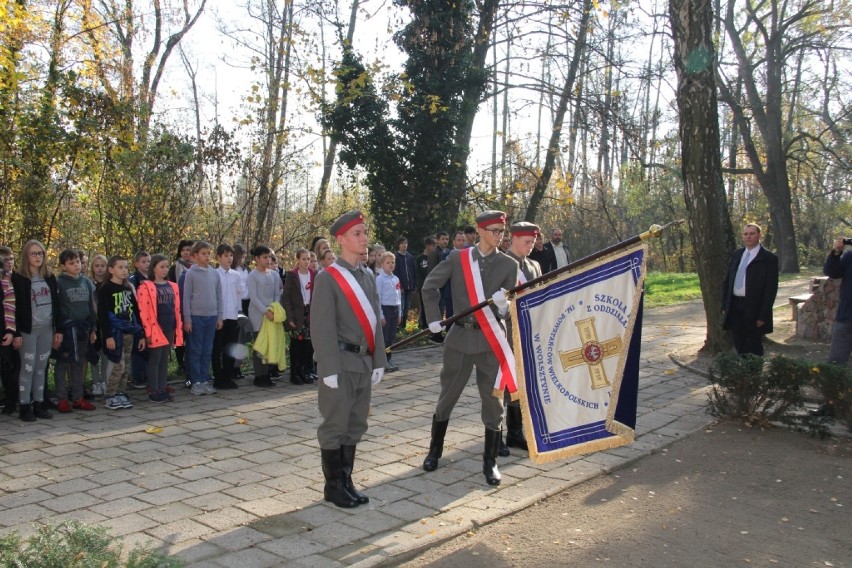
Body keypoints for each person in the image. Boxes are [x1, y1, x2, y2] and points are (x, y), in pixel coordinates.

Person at [421, 210, 518, 486]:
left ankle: (490, 462)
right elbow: (430, 287)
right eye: (495, 231)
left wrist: (503, 305)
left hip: (490, 341)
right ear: (480, 231)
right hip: (460, 338)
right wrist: (432, 320)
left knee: (493, 401)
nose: (500, 236)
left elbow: (512, 308)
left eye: (502, 231)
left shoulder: (509, 265)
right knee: (448, 395)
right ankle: (434, 451)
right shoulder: (458, 258)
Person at [310, 210, 387, 508]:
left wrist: (379, 359)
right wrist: (327, 367)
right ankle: (333, 486)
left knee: (355, 423)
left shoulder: (367, 275)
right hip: (340, 363)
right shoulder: (328, 278)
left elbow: (375, 323)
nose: (364, 238)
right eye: (357, 233)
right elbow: (322, 326)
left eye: (365, 232)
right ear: (341, 239)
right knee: (335, 424)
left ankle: (346, 480)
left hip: (363, 362)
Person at [501, 221, 543, 453]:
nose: (530, 246)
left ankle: (517, 431)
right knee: (507, 382)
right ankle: (503, 432)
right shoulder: (501, 263)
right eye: (526, 242)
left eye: (533, 242)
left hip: (529, 329)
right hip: (507, 330)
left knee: (525, 380)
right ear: (514, 238)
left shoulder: (534, 265)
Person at [11, 240, 62, 421]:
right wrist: (16, 333)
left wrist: (58, 330)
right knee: (28, 367)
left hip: (47, 329)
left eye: (40, 253)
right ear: (26, 256)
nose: (37, 257)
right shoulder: (18, 279)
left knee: (41, 368)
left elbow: (57, 305)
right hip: (27, 331)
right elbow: (14, 308)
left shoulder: (49, 277)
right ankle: (24, 406)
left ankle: (39, 403)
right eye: (33, 253)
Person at [721, 223, 779, 356]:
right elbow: (727, 281)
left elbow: (771, 289)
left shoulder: (768, 258)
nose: (748, 237)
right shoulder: (737, 255)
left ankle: (754, 372)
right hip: (735, 304)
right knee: (738, 340)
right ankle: (743, 371)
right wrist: (725, 305)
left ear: (759, 235)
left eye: (752, 234)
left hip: (754, 307)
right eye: (746, 234)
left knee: (753, 343)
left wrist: (763, 315)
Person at [98, 255, 145, 410]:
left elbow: (136, 313)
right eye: (120, 267)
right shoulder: (106, 289)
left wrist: (141, 334)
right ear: (111, 270)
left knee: (126, 365)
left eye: (126, 267)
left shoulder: (128, 288)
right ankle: (110, 395)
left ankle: (121, 393)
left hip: (129, 332)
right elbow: (103, 315)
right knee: (118, 365)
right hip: (114, 332)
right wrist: (108, 336)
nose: (124, 270)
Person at [54, 249, 98, 413]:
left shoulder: (86, 282)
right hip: (67, 330)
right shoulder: (59, 283)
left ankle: (78, 397)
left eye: (78, 262)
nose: (76, 265)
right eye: (71, 263)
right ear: (64, 266)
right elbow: (57, 308)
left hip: (83, 328)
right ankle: (62, 398)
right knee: (63, 363)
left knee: (79, 362)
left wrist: (93, 327)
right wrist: (58, 329)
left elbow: (90, 307)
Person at [137, 254, 183, 402]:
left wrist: (178, 327)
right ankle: (153, 389)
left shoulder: (172, 286)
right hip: (155, 328)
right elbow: (143, 311)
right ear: (154, 268)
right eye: (161, 267)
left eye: (166, 267)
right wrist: (148, 332)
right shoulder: (146, 287)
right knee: (155, 359)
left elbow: (176, 309)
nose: (165, 270)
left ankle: (162, 387)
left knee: (164, 358)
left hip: (169, 327)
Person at [182, 241, 223, 395]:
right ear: (195, 255)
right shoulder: (190, 273)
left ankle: (205, 379)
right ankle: (196, 381)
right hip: (196, 317)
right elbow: (186, 298)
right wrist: (188, 319)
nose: (207, 256)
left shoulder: (214, 273)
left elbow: (219, 296)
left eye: (208, 253)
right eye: (203, 253)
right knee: (196, 349)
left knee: (207, 349)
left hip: (211, 316)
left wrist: (220, 316)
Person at [247, 245, 283, 387]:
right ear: (257, 259)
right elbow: (254, 298)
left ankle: (267, 373)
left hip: (271, 314)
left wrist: (274, 309)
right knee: (259, 344)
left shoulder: (274, 274)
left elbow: (277, 294)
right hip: (258, 314)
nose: (268, 260)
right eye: (264, 257)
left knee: (269, 343)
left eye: (269, 257)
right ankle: (259, 375)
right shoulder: (252, 276)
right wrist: (265, 311)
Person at [281, 248, 315, 385]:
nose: (306, 262)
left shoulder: (314, 275)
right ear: (298, 260)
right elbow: (286, 298)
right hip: (297, 314)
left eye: (308, 259)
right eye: (303, 259)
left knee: (307, 345)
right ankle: (294, 373)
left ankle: (303, 371)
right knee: (297, 344)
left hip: (309, 314)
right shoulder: (292, 275)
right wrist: (290, 318)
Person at [128, 251, 150, 390]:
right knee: (138, 349)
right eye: (143, 262)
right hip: (138, 318)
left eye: (148, 261)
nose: (147, 264)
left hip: (152, 317)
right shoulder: (133, 279)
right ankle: (137, 377)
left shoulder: (153, 278)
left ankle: (149, 376)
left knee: (150, 348)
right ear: (136, 264)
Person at [377, 251, 401, 372]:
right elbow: (378, 298)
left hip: (395, 309)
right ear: (382, 264)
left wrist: (400, 313)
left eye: (392, 262)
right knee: (385, 337)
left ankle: (389, 358)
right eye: (388, 263)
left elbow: (399, 297)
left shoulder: (396, 279)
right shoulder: (380, 279)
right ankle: (383, 360)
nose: (391, 265)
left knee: (391, 336)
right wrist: (381, 315)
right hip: (385, 309)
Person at [1, 246, 18, 415]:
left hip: (7, 328)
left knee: (10, 366)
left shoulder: (12, 280)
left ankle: (12, 400)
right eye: (5, 259)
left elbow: (10, 306)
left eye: (11, 258)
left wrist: (11, 330)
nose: (9, 262)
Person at [393, 237, 416, 326]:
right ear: (398, 245)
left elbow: (413, 271)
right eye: (402, 243)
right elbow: (395, 273)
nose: (404, 245)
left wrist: (414, 285)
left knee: (407, 306)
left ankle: (404, 325)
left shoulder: (410, 257)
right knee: (400, 306)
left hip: (409, 286)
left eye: (405, 243)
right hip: (400, 287)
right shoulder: (396, 257)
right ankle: (398, 325)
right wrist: (400, 286)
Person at [415, 236, 436, 329]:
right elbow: (417, 273)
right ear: (427, 246)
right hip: (423, 286)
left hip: (434, 286)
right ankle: (423, 325)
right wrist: (419, 285)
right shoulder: (419, 258)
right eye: (433, 245)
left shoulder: (434, 257)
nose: (434, 247)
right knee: (423, 305)